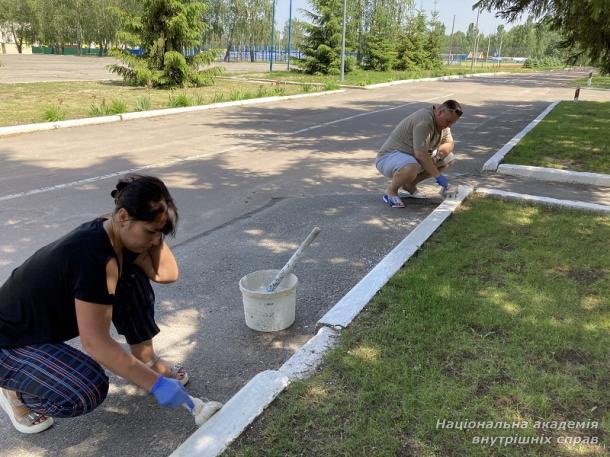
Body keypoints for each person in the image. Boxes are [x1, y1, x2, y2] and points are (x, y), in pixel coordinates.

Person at [0, 174, 220, 434]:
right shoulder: (93, 257)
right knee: (86, 389)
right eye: (150, 232)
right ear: (124, 216)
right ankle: (15, 390)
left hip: (38, 324)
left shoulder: (117, 233)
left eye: (159, 235)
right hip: (11, 338)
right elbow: (96, 343)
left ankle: (146, 359)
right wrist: (156, 385)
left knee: (132, 275)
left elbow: (166, 275)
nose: (153, 242)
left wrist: (156, 233)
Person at [375, 100, 463, 208]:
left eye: (451, 123)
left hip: (411, 159)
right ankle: (391, 192)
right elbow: (420, 154)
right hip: (388, 158)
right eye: (448, 121)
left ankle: (409, 185)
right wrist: (438, 176)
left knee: (448, 158)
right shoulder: (424, 120)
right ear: (440, 112)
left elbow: (449, 143)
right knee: (412, 166)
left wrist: (438, 156)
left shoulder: (443, 125)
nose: (449, 125)